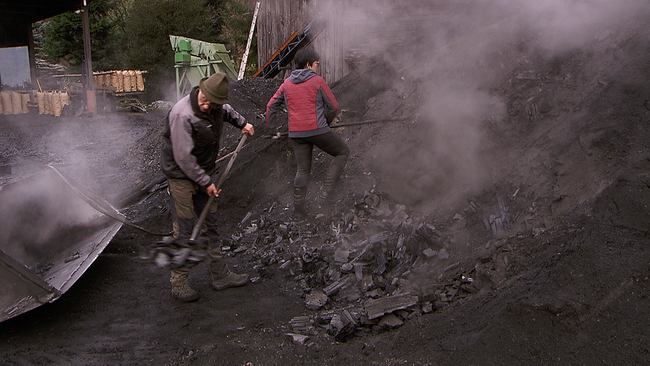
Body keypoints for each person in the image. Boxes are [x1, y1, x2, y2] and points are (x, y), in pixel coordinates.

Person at [161, 72, 254, 302]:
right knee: (184, 227)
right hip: (182, 175)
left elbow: (228, 112)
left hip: (203, 170)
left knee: (209, 224)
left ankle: (220, 276)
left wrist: (243, 124)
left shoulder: (216, 106)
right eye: (204, 100)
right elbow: (183, 158)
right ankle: (179, 281)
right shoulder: (182, 114)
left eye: (212, 103)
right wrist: (207, 182)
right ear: (200, 90)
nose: (206, 105)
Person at [266, 48, 349, 220]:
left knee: (303, 170)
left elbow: (270, 106)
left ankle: (298, 211)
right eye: (317, 64)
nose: (318, 67)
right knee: (342, 152)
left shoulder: (286, 83)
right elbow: (333, 106)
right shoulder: (317, 81)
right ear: (308, 64)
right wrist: (326, 121)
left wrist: (273, 130)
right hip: (318, 129)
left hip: (296, 134)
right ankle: (326, 195)